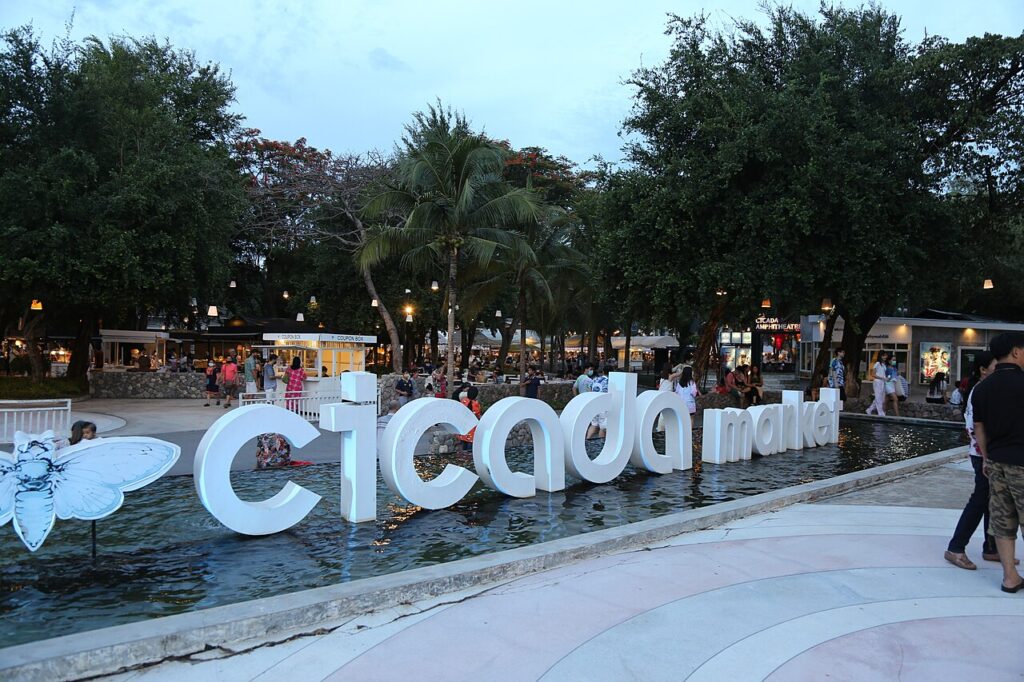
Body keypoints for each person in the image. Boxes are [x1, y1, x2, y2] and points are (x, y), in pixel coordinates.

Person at [971, 332, 1024, 592]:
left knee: (1003, 520)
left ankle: (1010, 577)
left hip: (996, 462)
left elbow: (979, 427)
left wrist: (986, 456)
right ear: (1016, 352)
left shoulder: (982, 388)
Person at [945, 351, 1001, 570]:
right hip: (982, 455)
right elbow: (974, 428)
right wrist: (986, 456)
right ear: (983, 369)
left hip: (984, 453)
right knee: (980, 499)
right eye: (996, 367)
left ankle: (991, 547)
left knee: (990, 499)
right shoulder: (980, 391)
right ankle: (956, 547)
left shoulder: (986, 389)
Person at [586, 366, 609, 440]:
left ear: (603, 372)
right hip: (603, 405)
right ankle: (601, 444)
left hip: (594, 404)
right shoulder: (610, 381)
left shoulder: (595, 379)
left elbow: (589, 389)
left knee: (594, 424)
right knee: (603, 427)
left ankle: (587, 439)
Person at [458, 386, 482, 451]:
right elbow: (478, 416)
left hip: (463, 429)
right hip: (472, 431)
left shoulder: (463, 401)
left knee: (463, 449)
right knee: (469, 451)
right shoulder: (476, 404)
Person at [866, 351, 889, 416]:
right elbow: (873, 374)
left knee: (881, 398)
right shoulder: (877, 363)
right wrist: (882, 378)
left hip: (883, 382)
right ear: (880, 356)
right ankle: (880, 413)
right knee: (878, 397)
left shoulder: (883, 364)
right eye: (884, 355)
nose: (885, 357)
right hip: (877, 382)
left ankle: (869, 409)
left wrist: (885, 378)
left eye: (886, 355)